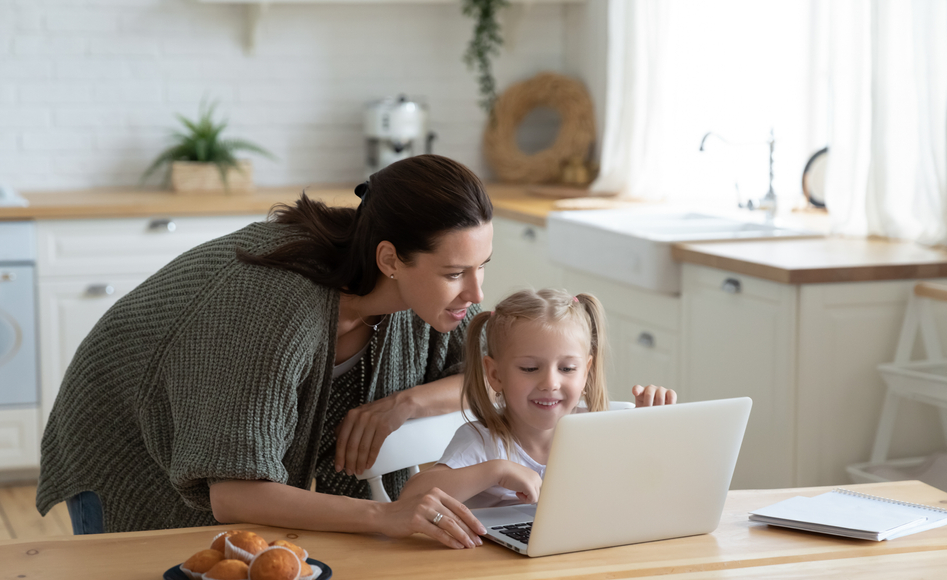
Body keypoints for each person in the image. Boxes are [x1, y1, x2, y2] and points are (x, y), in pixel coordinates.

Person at [36, 154, 493, 550]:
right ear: (390, 260)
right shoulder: (273, 307)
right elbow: (235, 493)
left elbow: (496, 371)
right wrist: (387, 516)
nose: (474, 291)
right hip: (125, 439)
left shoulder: (430, 299)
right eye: (455, 273)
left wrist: (404, 403)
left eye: (482, 267)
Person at [400, 288, 677, 508]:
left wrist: (651, 431)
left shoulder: (601, 431)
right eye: (530, 369)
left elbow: (652, 492)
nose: (550, 383)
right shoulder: (482, 442)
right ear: (495, 375)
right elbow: (410, 498)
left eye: (567, 369)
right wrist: (494, 471)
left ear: (586, 374)